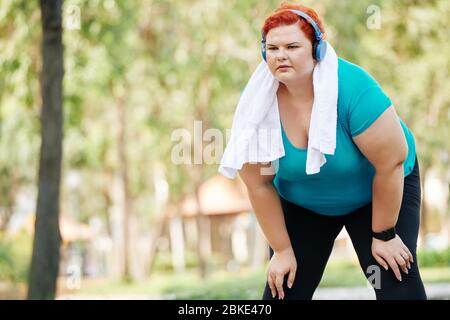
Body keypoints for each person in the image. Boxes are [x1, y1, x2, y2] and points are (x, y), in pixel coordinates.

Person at [238, 2, 427, 300]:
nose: (280, 55)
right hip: (305, 203)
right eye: (272, 48)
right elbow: (257, 183)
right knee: (284, 289)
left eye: (292, 46)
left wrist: (385, 234)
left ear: (317, 50)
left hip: (377, 194)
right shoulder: (257, 105)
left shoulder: (353, 88)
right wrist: (283, 251)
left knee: (395, 284)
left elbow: (390, 163)